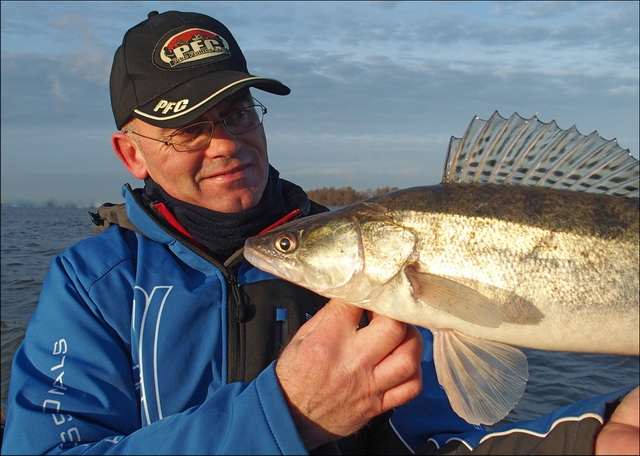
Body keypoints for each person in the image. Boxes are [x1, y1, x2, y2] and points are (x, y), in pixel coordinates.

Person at [1, 10, 638, 455]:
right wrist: (284, 417)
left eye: (237, 110)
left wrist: (594, 438)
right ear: (131, 154)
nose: (224, 142)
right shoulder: (92, 286)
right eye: (187, 126)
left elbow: (442, 439)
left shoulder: (376, 290)